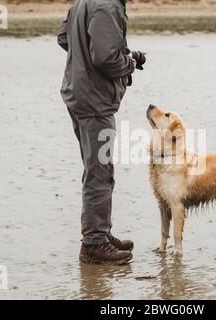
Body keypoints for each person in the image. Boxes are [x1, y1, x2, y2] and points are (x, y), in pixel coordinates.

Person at [57, 0, 146, 265]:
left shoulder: (84, 1)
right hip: (94, 102)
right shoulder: (108, 6)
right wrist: (129, 63)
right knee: (100, 172)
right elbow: (105, 58)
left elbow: (64, 38)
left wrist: (88, 57)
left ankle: (100, 233)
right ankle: (94, 243)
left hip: (78, 94)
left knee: (95, 169)